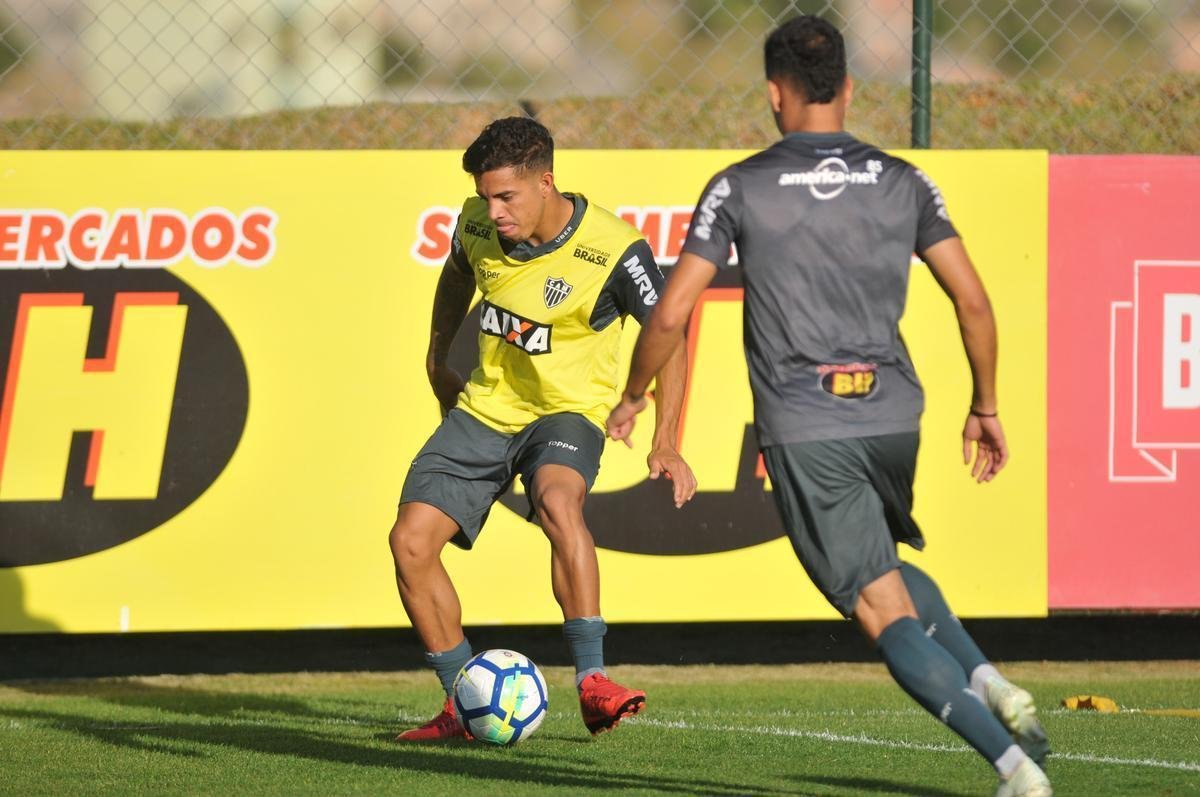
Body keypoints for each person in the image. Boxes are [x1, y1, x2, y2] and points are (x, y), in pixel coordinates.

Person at [606, 16, 1051, 797]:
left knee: (878, 607)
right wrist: (984, 402)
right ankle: (988, 679)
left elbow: (671, 312)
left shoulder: (739, 185)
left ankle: (1014, 769)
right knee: (884, 566)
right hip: (894, 415)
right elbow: (974, 301)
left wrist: (636, 394)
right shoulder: (905, 180)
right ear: (847, 88)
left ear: (774, 94)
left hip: (807, 424)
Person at [391, 116, 697, 741]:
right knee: (410, 544)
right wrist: (436, 358)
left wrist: (666, 439)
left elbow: (670, 333)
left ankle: (593, 682)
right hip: (486, 408)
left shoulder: (614, 249)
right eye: (485, 197)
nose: (494, 211)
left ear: (546, 182)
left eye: (507, 197)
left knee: (559, 501)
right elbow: (455, 277)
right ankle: (462, 703)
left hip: (567, 411)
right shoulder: (476, 225)